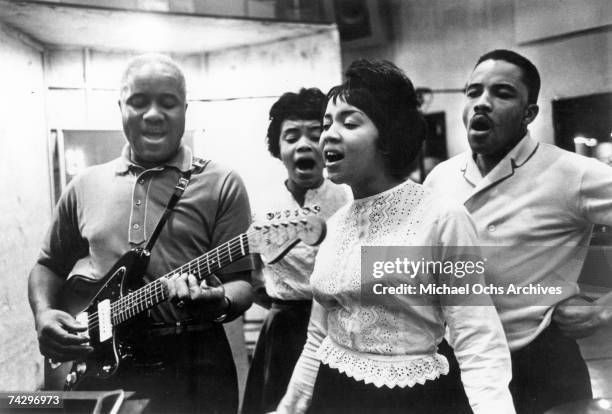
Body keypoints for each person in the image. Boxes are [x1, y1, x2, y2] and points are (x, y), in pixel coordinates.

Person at [276, 59, 515, 414]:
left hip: (410, 399)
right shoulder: (336, 223)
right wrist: (288, 408)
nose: (328, 135)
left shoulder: (441, 216)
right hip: (334, 394)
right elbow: (317, 338)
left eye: (349, 122)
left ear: (388, 136)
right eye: (327, 124)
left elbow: (477, 338)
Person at [28, 54, 254, 414]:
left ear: (184, 109)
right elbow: (47, 265)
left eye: (167, 103)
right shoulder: (84, 185)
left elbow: (242, 283)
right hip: (102, 365)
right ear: (121, 106)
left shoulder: (222, 183)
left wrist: (220, 302)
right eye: (138, 102)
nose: (153, 114)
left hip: (194, 362)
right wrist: (43, 315)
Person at [424, 49, 612, 413]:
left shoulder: (571, 173)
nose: (482, 103)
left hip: (539, 363)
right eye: (473, 91)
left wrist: (606, 310)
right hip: (455, 362)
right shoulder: (440, 177)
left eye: (502, 93)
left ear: (529, 113)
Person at [242, 88, 350, 414]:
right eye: (291, 136)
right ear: (279, 148)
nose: (304, 144)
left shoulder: (348, 197)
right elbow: (253, 275)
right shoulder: (260, 205)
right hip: (283, 333)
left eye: (315, 134)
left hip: (340, 330)